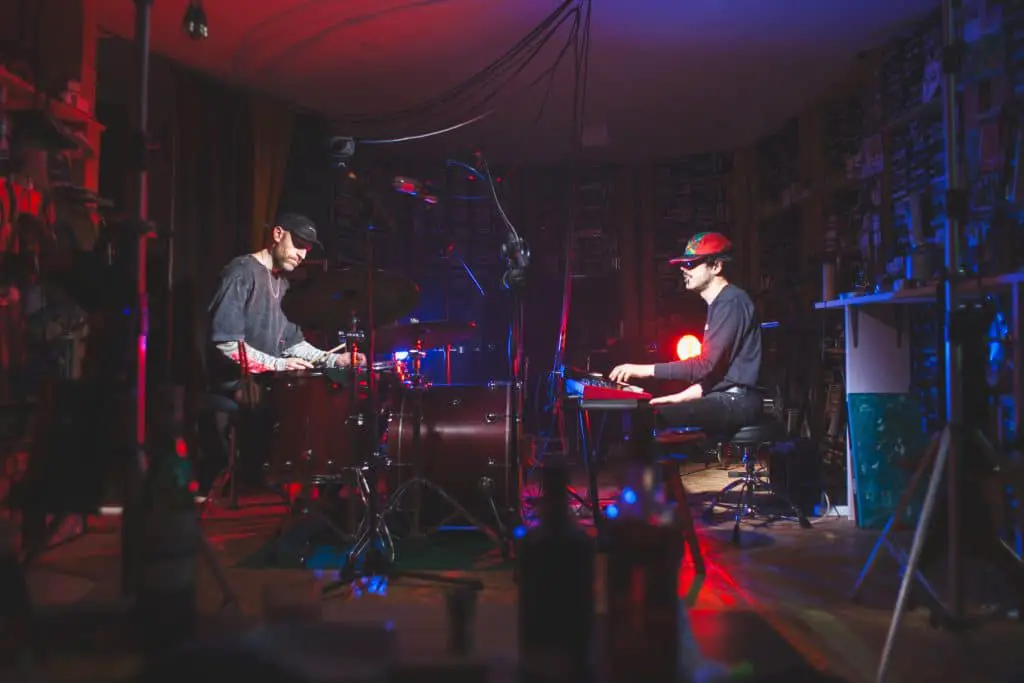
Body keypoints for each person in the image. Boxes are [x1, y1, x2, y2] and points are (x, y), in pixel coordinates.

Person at [609, 232, 762, 431]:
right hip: (728, 397)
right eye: (683, 264)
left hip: (738, 401)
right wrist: (678, 398)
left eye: (691, 264)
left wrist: (641, 370)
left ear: (716, 266)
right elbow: (716, 375)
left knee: (647, 420)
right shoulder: (721, 303)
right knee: (649, 412)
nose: (683, 269)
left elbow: (703, 367)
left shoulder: (730, 302)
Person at [207, 213, 365, 387]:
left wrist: (333, 359)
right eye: (298, 244)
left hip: (266, 385)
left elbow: (293, 345)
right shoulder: (241, 272)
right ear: (278, 234)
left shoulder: (284, 285)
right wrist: (278, 365)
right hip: (234, 386)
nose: (302, 255)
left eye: (306, 250)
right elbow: (227, 344)